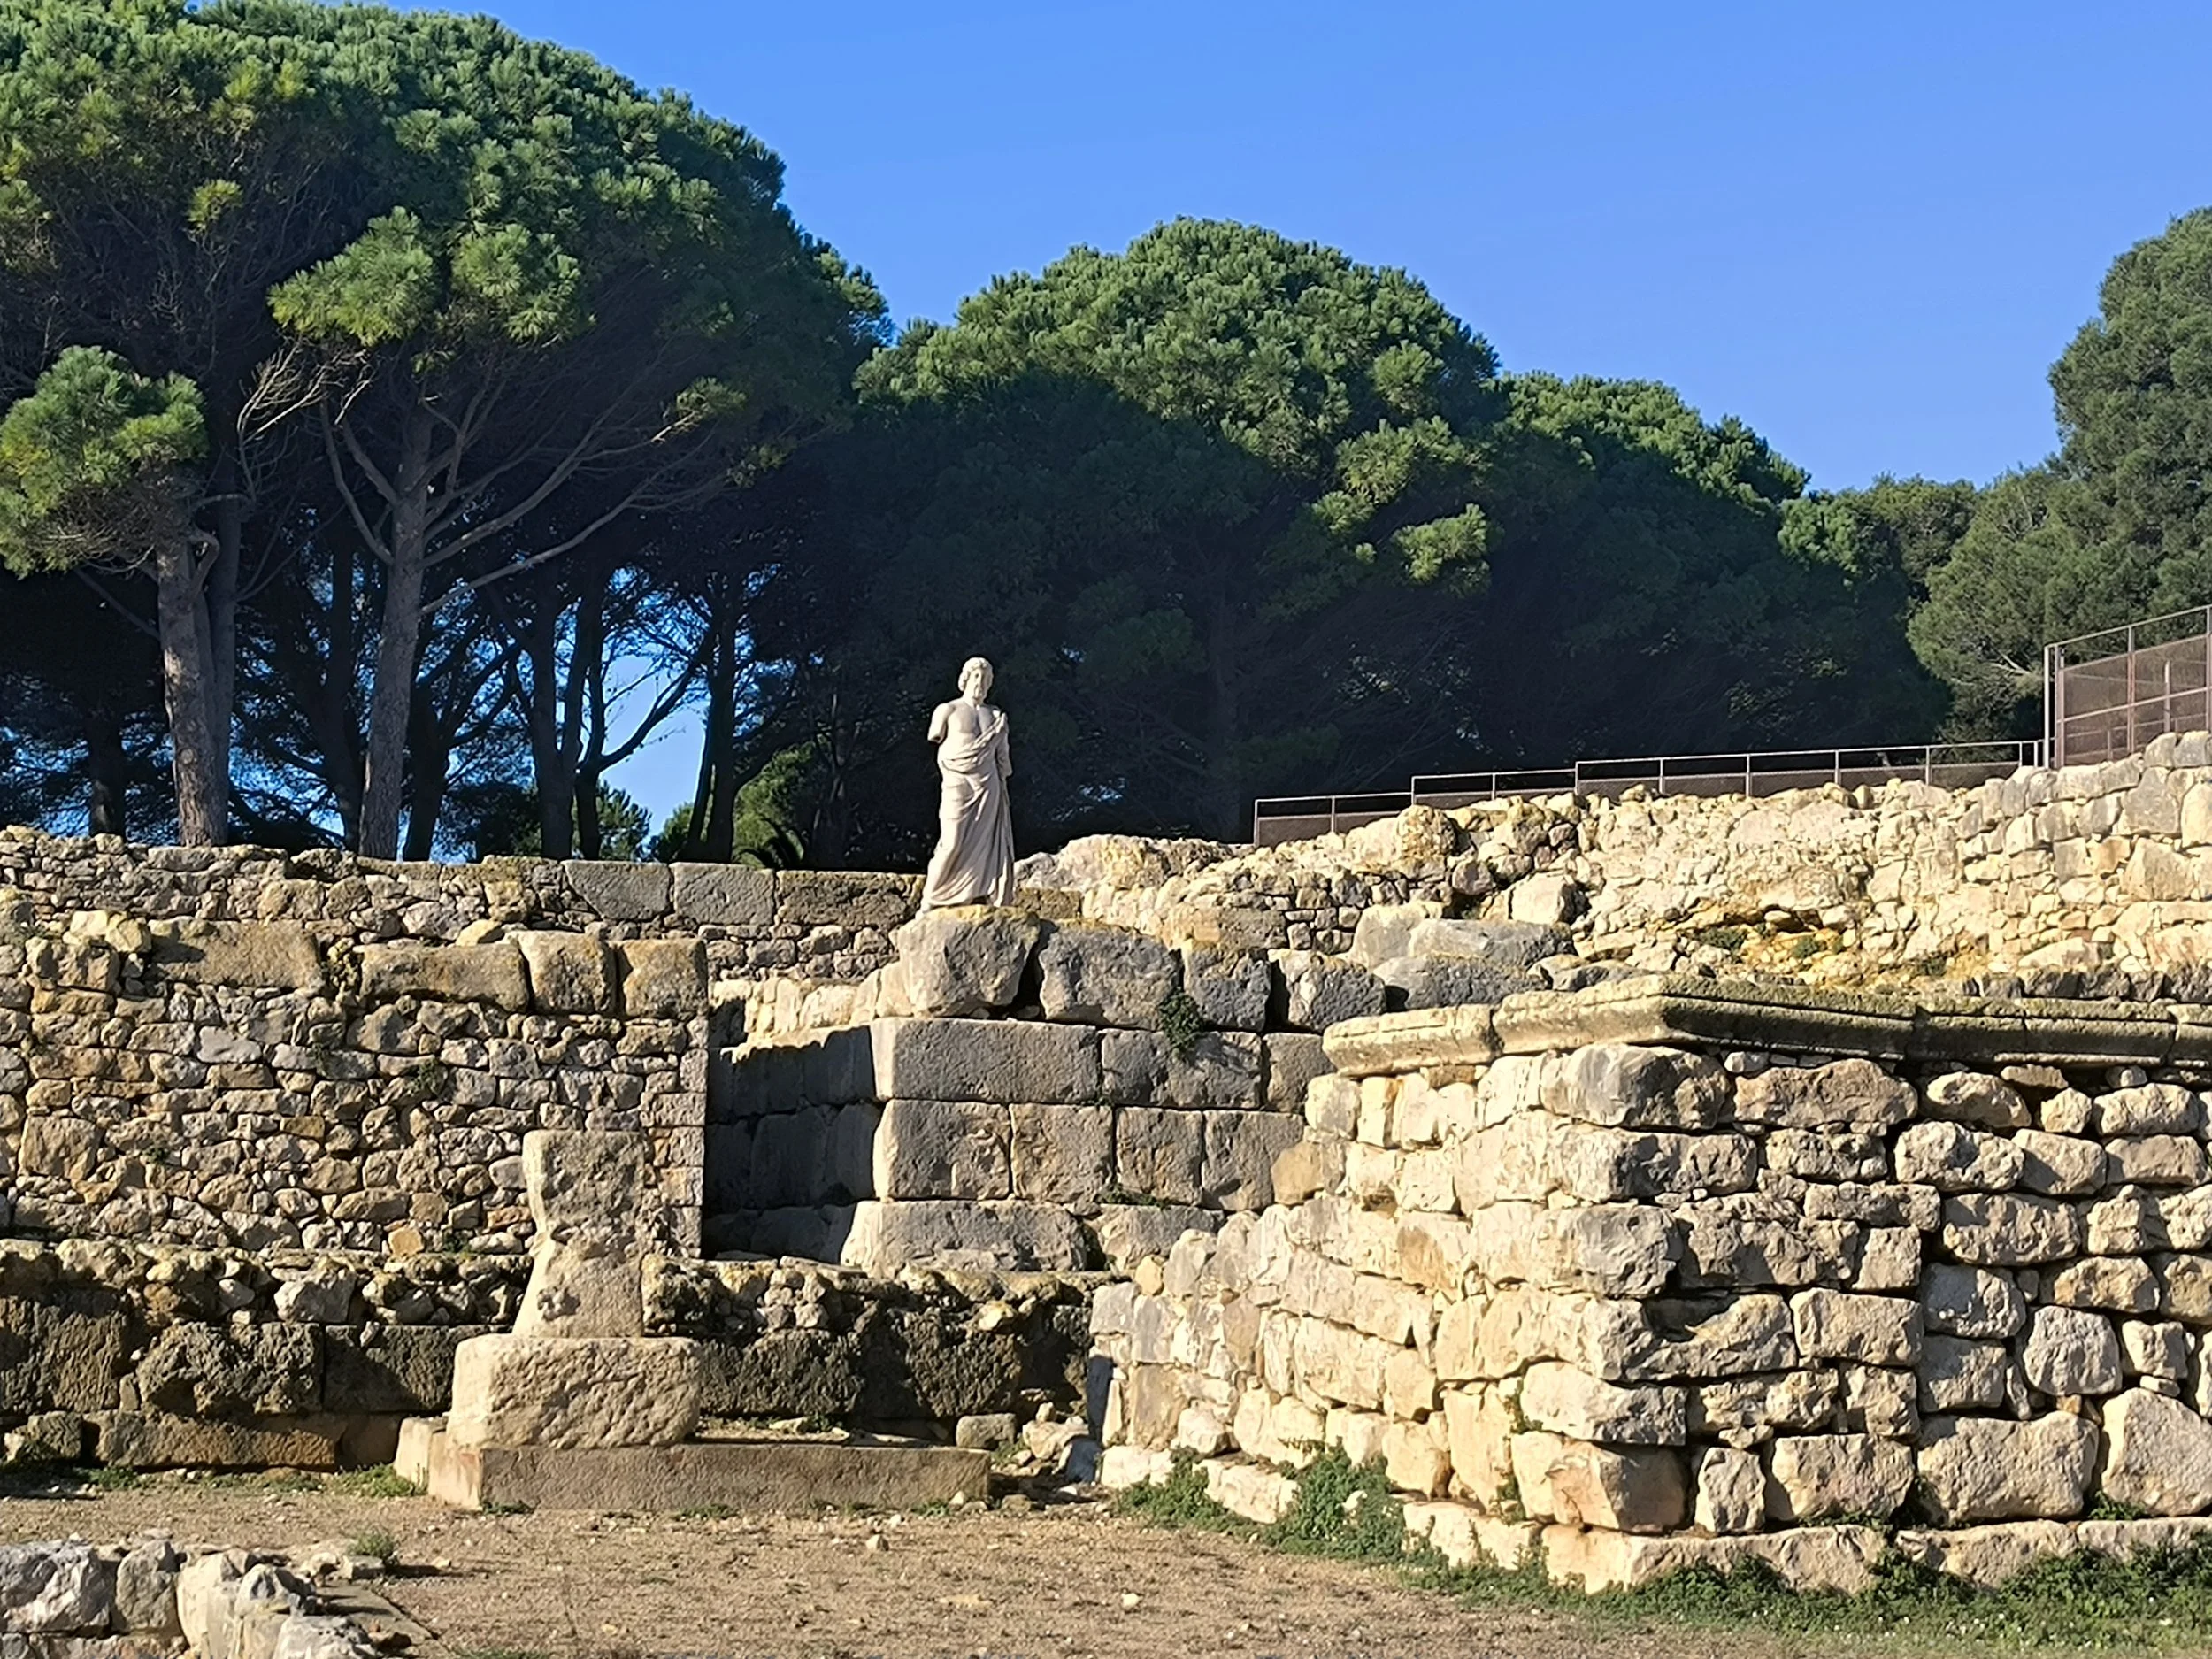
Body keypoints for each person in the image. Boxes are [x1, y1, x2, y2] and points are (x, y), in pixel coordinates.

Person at [919, 657, 1016, 910]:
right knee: (952, 841)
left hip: (988, 785)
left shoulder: (995, 716)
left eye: (986, 679)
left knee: (984, 843)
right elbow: (938, 740)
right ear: (965, 678)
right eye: (976, 677)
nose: (980, 683)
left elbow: (1003, 759)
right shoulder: (947, 710)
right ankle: (931, 898)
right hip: (958, 781)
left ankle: (978, 893)